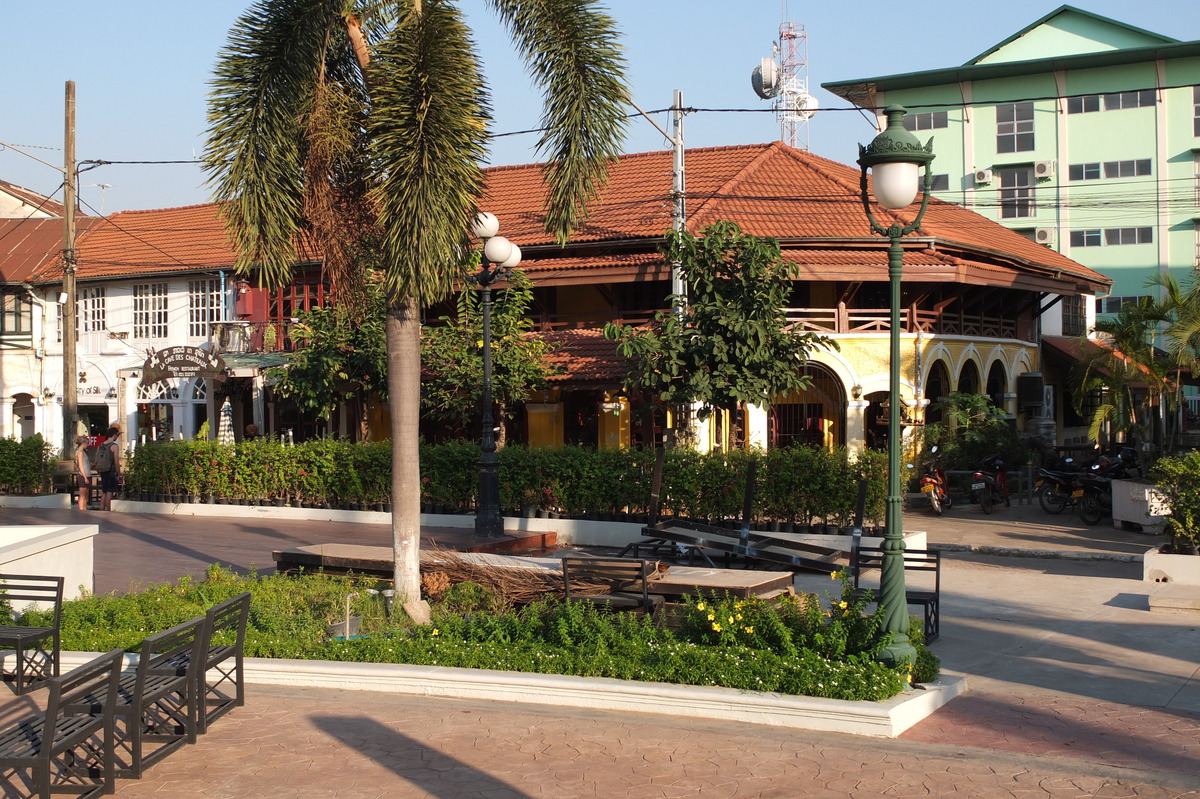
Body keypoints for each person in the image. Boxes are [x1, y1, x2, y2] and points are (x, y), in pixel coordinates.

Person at [98, 426, 121, 512]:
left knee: (104, 491)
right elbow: (116, 460)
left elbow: (97, 458)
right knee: (110, 491)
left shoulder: (101, 445)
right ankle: (108, 510)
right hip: (111, 471)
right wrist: (119, 473)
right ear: (114, 435)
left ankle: (101, 508)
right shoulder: (114, 446)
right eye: (117, 435)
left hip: (102, 470)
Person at [73, 435, 92, 511]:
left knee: (85, 494)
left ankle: (84, 508)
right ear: (83, 443)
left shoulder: (83, 452)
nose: (88, 445)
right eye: (87, 443)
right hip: (83, 475)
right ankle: (81, 510)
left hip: (87, 474)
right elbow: (80, 465)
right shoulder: (80, 453)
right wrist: (85, 477)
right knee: (82, 495)